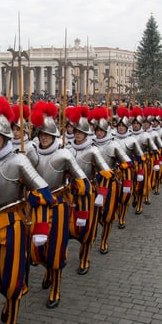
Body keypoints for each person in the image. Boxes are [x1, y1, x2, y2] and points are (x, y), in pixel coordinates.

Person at [0, 96, 51, 324]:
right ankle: (9, 300)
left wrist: (32, 202)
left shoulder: (19, 161)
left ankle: (12, 322)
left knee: (12, 278)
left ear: (7, 137)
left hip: (14, 226)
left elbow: (44, 192)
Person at [27, 101, 90, 309]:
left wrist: (73, 187)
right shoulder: (31, 153)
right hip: (38, 208)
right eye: (41, 134)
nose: (43, 138)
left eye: (47, 135)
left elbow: (82, 181)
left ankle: (56, 286)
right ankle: (47, 268)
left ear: (54, 136)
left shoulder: (64, 154)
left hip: (58, 207)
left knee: (55, 248)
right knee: (37, 251)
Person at [64, 106, 113, 275]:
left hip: (87, 194)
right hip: (70, 194)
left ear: (86, 133)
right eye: (75, 131)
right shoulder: (67, 149)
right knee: (64, 227)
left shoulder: (93, 150)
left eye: (80, 132)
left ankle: (84, 258)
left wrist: (102, 194)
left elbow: (106, 173)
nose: (77, 134)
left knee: (86, 228)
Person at [90, 107, 132, 254]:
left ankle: (104, 240)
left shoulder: (113, 144)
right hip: (94, 184)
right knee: (93, 213)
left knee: (107, 215)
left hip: (110, 184)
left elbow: (127, 162)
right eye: (97, 130)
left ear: (106, 130)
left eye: (101, 130)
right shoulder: (91, 144)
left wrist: (117, 171)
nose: (99, 133)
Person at [112, 107, 145, 227]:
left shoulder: (132, 140)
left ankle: (122, 217)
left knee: (125, 195)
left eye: (122, 126)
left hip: (128, 170)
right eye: (118, 126)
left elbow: (141, 157)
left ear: (126, 127)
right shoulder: (112, 139)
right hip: (114, 171)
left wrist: (140, 171)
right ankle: (115, 212)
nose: (120, 128)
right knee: (114, 195)